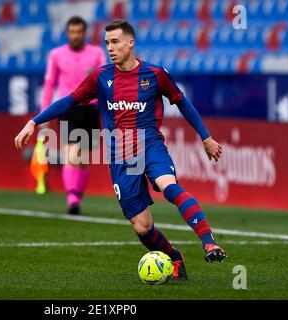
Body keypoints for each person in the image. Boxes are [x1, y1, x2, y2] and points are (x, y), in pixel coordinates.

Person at [15, 19, 227, 280]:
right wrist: (33, 121)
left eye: (115, 42)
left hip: (150, 144)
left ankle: (209, 242)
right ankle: (175, 258)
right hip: (120, 157)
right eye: (107, 43)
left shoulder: (155, 74)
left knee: (170, 187)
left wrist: (206, 137)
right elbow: (69, 100)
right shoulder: (101, 77)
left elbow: (182, 102)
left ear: (130, 43)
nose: (110, 48)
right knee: (142, 227)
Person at [40, 16, 107, 215]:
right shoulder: (56, 55)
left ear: (84, 33)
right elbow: (49, 85)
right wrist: (45, 114)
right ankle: (72, 198)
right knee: (70, 155)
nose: (76, 36)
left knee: (84, 159)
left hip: (91, 109)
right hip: (69, 108)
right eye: (72, 32)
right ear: (67, 33)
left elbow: (104, 79)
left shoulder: (96, 53)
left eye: (79, 32)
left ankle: (77, 195)